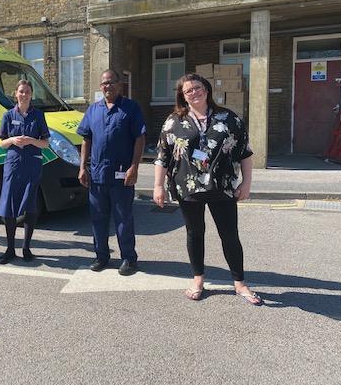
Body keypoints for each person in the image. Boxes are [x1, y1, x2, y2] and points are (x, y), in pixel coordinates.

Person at [153, 73, 262, 305]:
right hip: (187, 187)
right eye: (188, 90)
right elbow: (162, 156)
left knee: (230, 234)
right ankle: (198, 279)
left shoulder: (229, 118)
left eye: (198, 87)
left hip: (222, 186)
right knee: (195, 233)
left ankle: (240, 283)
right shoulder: (174, 121)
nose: (194, 92)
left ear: (207, 89)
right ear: (182, 96)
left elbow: (245, 153)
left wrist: (247, 183)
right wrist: (157, 186)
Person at [77, 69, 146, 276]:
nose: (107, 86)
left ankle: (128, 258)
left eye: (111, 82)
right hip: (97, 175)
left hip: (122, 175)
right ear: (101, 87)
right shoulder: (93, 110)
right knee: (98, 218)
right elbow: (86, 139)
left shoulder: (131, 108)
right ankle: (101, 256)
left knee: (123, 218)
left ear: (120, 84)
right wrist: (82, 167)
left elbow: (140, 139)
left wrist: (135, 166)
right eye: (104, 83)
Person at [0, 79, 50, 264]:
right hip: (13, 165)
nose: (24, 95)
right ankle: (10, 249)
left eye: (27, 92)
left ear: (31, 95)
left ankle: (26, 248)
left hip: (31, 166)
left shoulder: (38, 116)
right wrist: (12, 140)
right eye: (21, 91)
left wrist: (30, 140)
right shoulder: (8, 116)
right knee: (8, 207)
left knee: (29, 208)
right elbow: (1, 142)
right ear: (16, 94)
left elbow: (45, 143)